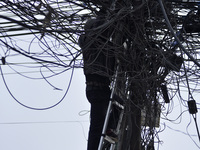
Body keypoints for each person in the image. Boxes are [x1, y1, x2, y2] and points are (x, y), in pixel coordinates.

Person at [78, 16, 117, 150]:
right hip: (95, 89)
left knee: (120, 104)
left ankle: (109, 128)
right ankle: (105, 134)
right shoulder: (87, 41)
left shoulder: (108, 46)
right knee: (96, 126)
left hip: (102, 89)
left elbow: (113, 66)